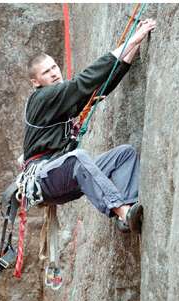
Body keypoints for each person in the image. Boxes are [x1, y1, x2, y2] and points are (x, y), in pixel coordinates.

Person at [22, 18, 156, 234]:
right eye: (46, 72)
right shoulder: (43, 98)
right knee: (78, 158)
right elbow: (85, 81)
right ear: (36, 82)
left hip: (64, 176)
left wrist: (135, 45)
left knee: (125, 154)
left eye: (54, 67)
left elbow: (99, 88)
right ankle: (121, 211)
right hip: (43, 179)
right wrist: (133, 38)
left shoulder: (60, 101)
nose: (55, 73)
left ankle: (127, 214)